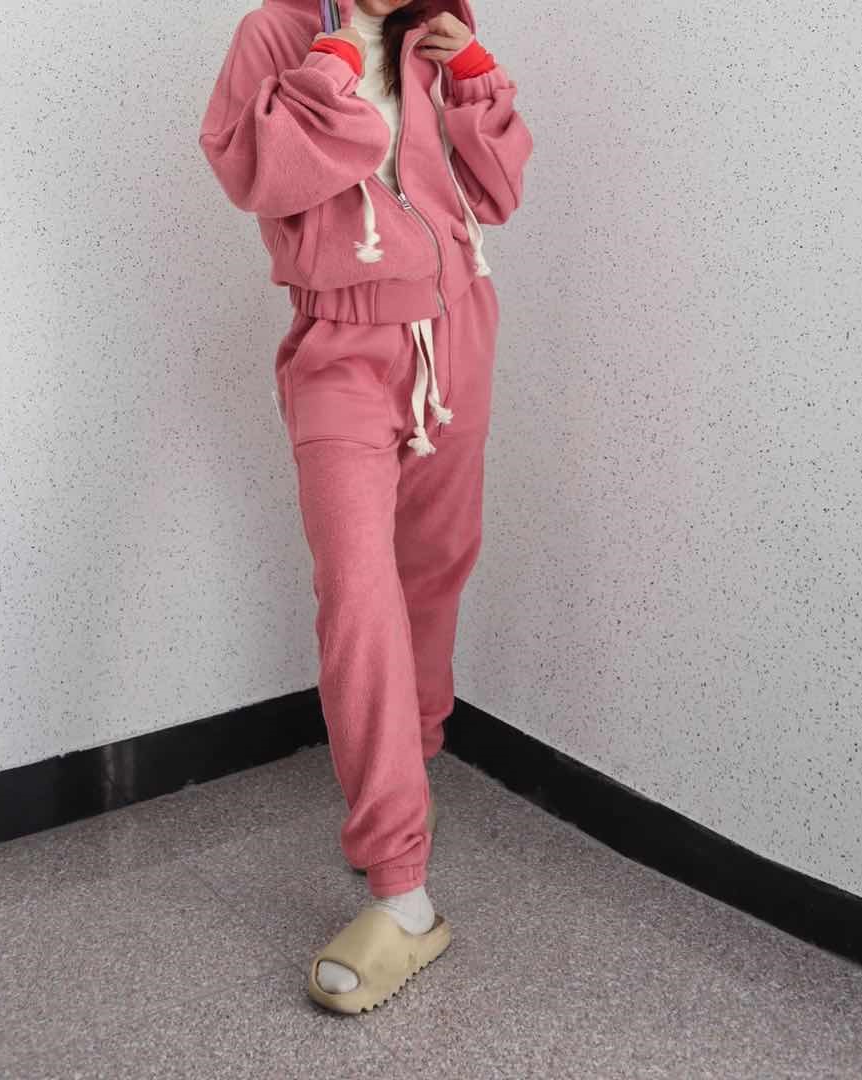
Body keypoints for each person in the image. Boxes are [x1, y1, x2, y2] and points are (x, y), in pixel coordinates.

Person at [198, 0, 533, 1013]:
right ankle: (402, 889)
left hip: (458, 334)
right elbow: (256, 175)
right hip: (341, 349)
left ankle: (409, 766)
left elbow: (499, 193)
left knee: (437, 570)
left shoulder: (435, 36)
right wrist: (336, 61)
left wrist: (473, 76)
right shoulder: (276, 34)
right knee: (358, 595)